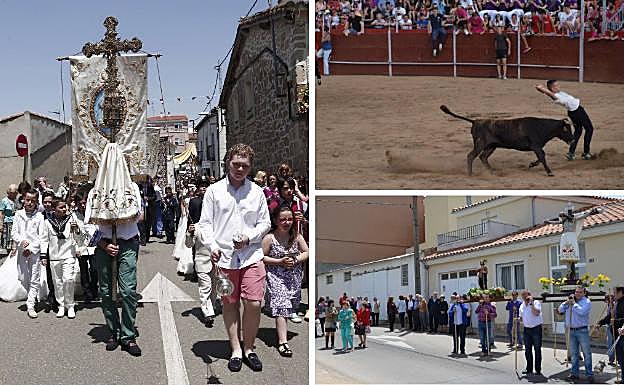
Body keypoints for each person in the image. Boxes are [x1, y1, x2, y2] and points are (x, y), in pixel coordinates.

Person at [197, 143, 271, 372]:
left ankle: (249, 347)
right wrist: (211, 246)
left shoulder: (256, 192)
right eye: (236, 164)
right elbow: (204, 225)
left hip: (251, 255)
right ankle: (236, 349)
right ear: (228, 162)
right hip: (225, 258)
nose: (240, 169)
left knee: (254, 303)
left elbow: (265, 223)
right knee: (229, 302)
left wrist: (249, 237)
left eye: (245, 166)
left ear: (250, 167)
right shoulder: (214, 191)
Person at [87, 182, 143, 357]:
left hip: (127, 242)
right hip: (104, 245)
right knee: (106, 291)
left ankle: (128, 335)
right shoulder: (94, 191)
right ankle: (114, 331)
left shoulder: (132, 188)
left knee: (127, 291)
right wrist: (104, 244)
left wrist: (120, 213)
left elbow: (139, 215)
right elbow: (88, 223)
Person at [262, 204, 309, 357]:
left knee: (290, 306)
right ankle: (283, 342)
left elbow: (307, 252)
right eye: (283, 219)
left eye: (290, 219)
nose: (287, 222)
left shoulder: (296, 236)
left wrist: (295, 259)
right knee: (282, 306)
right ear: (276, 221)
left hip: (293, 279)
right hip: (276, 277)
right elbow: (261, 257)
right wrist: (279, 261)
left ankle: (283, 335)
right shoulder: (269, 238)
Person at [535, 80, 596, 160]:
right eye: (556, 86)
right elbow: (549, 93)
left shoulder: (558, 94)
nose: (559, 87)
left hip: (573, 113)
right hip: (578, 112)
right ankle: (586, 153)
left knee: (578, 132)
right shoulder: (556, 96)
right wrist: (542, 88)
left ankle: (571, 153)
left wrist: (542, 89)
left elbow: (548, 92)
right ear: (552, 89)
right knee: (589, 129)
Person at [41, 198, 80, 319]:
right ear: (54, 209)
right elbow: (44, 240)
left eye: (65, 207)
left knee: (68, 279)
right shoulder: (47, 222)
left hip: (68, 254)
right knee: (57, 282)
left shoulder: (71, 219)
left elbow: (78, 236)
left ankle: (70, 305)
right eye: (61, 207)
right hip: (54, 256)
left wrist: (76, 229)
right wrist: (43, 255)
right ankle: (61, 305)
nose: (65, 209)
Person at [11, 189, 45, 318]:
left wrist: (31, 248)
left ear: (36, 202)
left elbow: (41, 236)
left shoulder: (39, 216)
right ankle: (32, 294)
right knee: (23, 277)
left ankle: (31, 304)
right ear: (23, 200)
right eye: (28, 200)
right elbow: (14, 233)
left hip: (34, 252)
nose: (30, 203)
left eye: (33, 201)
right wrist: (21, 241)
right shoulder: (18, 214)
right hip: (21, 250)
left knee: (34, 278)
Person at [557, 286, 593, 383]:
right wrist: (566, 303)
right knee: (574, 354)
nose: (577, 294)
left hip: (582, 331)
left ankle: (589, 374)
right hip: (571, 330)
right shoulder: (570, 301)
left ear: (584, 293)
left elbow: (582, 312)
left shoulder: (587, 302)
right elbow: (560, 310)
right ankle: (574, 374)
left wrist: (574, 304)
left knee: (586, 353)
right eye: (576, 292)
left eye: (580, 292)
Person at [73, 192, 99, 303]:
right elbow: (72, 234)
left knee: (94, 269)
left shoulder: (92, 214)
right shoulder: (73, 216)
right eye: (80, 204)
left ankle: (94, 290)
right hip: (81, 246)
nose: (83, 206)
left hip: (93, 246)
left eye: (84, 203)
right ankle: (87, 292)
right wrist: (76, 248)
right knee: (83, 271)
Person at [519, 290, 543, 376]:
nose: (525, 297)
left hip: (536, 329)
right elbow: (521, 318)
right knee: (527, 350)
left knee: (537, 349)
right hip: (527, 329)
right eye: (523, 296)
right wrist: (518, 319)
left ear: (530, 295)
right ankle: (529, 368)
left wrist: (531, 303)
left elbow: (536, 313)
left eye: (526, 295)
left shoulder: (536, 302)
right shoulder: (521, 305)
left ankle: (538, 369)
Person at [597, 294, 616, 366]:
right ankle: (611, 359)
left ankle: (612, 359)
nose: (605, 301)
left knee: (611, 344)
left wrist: (600, 322)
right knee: (610, 344)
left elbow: (610, 316)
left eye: (606, 300)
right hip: (609, 326)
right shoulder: (609, 305)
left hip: (613, 327)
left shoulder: (614, 305)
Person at [0, 184, 18, 250]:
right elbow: (1, 213)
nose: (13, 194)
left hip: (15, 221)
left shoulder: (16, 200)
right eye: (12, 193)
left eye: (15, 193)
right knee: (7, 236)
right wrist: (1, 224)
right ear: (8, 192)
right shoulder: (4, 201)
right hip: (7, 222)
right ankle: (7, 249)